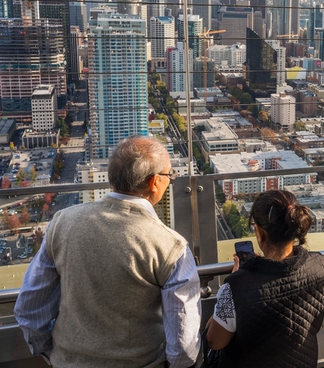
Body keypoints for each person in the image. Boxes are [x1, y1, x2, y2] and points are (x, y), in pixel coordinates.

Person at [14, 136, 201, 368]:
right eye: (170, 176)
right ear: (154, 182)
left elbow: (30, 308)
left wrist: (55, 355)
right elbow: (184, 345)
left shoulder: (62, 223)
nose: (170, 181)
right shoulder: (171, 247)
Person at [207, 189, 324, 367]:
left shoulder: (237, 286)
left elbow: (214, 341)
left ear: (259, 231)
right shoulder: (319, 266)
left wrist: (236, 281)